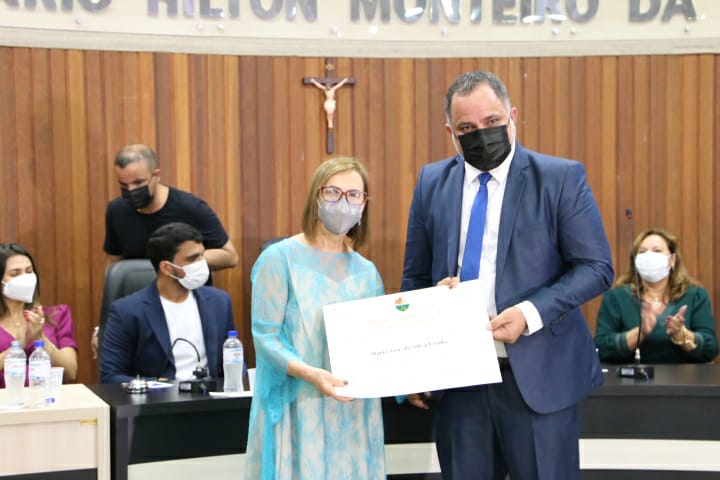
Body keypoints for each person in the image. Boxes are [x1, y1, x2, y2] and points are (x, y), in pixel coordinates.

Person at [401, 71, 613, 480]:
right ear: (450, 132)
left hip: (537, 379)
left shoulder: (559, 178)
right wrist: (417, 362)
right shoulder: (431, 182)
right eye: (467, 128)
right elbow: (416, 277)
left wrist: (530, 313)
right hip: (458, 382)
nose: (481, 134)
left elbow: (596, 267)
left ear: (512, 116)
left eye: (492, 121)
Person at [244, 157, 385, 479]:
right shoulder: (279, 259)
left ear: (364, 204)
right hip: (299, 407)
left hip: (352, 411)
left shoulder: (367, 271)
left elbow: (380, 340)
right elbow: (265, 338)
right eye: (333, 192)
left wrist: (439, 301)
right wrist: (311, 374)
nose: (344, 202)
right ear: (316, 197)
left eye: (354, 195)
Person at [94, 143, 238, 357]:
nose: (131, 191)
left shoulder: (190, 207)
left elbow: (230, 256)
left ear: (156, 175)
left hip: (188, 308)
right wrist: (105, 323)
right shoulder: (117, 211)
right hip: (140, 317)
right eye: (124, 185)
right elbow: (114, 269)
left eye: (138, 183)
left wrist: (187, 263)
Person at [99, 222, 235, 383]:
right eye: (192, 259)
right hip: (159, 397)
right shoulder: (126, 311)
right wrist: (157, 385)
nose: (201, 263)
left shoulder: (219, 302)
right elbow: (111, 376)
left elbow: (234, 360)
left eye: (202, 255)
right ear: (166, 268)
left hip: (210, 395)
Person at [595, 228, 718, 364]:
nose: (649, 256)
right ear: (636, 261)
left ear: (672, 260)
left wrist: (681, 334)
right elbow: (601, 349)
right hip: (631, 377)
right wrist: (640, 332)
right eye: (642, 252)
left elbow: (710, 350)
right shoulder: (616, 297)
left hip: (685, 377)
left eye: (657, 251)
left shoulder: (695, 296)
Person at [0, 243, 78, 386]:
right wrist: (15, 349)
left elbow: (70, 371)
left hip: (47, 396)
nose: (25, 278)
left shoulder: (57, 315)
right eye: (15, 274)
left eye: (29, 271)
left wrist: (40, 338)